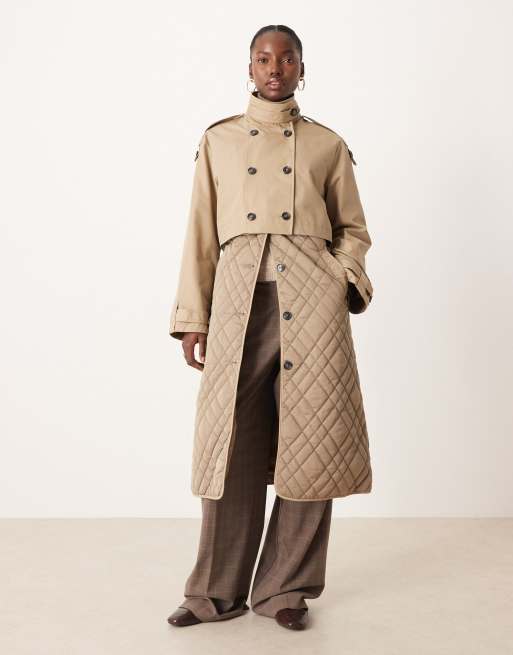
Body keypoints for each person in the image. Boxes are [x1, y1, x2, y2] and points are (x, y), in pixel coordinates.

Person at [167, 24, 374, 631]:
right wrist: (192, 318)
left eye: (287, 59)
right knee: (229, 445)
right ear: (250, 67)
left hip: (312, 304)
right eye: (264, 58)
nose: (275, 68)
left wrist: (340, 278)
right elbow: (200, 232)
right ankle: (214, 593)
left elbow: (353, 229)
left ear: (301, 69)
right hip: (238, 302)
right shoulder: (219, 141)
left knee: (313, 443)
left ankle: (286, 589)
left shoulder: (327, 145)